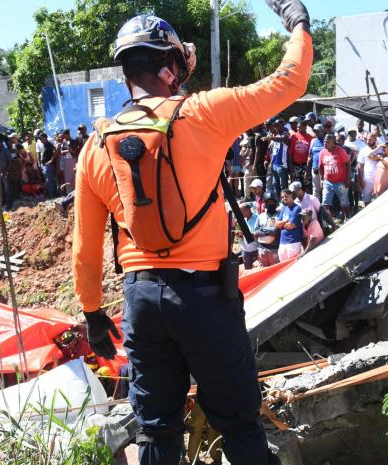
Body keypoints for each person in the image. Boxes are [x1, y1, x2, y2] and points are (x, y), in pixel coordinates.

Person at [72, 4, 311, 464]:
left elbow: (85, 247)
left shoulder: (97, 145)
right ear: (170, 68)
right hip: (204, 298)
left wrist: (91, 311)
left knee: (156, 429)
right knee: (239, 422)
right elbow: (289, 81)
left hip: (140, 301)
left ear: (127, 74)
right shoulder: (204, 112)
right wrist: (299, 25)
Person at [318, 134, 352, 220]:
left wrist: (348, 179)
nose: (325, 143)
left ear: (333, 143)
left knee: (344, 203)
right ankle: (330, 222)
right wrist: (321, 180)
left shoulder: (340, 151)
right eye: (324, 141)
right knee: (325, 203)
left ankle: (347, 218)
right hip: (328, 182)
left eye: (328, 142)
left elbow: (348, 164)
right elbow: (320, 167)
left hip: (341, 182)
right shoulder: (322, 152)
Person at [275, 189, 303, 261]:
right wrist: (286, 220)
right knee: (283, 267)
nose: (284, 198)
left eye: (286, 196)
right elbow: (276, 225)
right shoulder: (284, 208)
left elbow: (290, 226)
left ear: (291, 196)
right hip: (282, 242)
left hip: (293, 242)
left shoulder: (297, 208)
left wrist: (282, 225)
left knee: (294, 266)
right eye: (282, 197)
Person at [254, 196, 281, 267]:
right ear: (265, 204)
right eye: (269, 203)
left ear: (276, 204)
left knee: (276, 272)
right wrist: (269, 231)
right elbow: (256, 232)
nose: (271, 205)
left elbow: (276, 231)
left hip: (274, 250)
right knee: (264, 272)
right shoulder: (260, 216)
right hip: (262, 250)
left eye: (273, 203)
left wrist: (263, 230)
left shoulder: (280, 216)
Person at [356, 133, 381, 205]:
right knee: (366, 202)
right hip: (367, 179)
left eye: (370, 140)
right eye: (366, 139)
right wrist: (361, 180)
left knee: (378, 201)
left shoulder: (381, 150)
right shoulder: (363, 150)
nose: (367, 141)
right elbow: (360, 166)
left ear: (375, 140)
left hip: (379, 179)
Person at [236, 202, 260, 270]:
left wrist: (249, 233)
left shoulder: (257, 219)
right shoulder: (240, 220)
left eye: (241, 211)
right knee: (248, 270)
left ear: (248, 210)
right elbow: (237, 235)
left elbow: (258, 233)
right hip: (245, 251)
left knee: (257, 270)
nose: (240, 213)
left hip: (256, 250)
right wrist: (238, 235)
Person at [37, 132, 57, 197]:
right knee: (49, 179)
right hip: (46, 164)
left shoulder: (48, 144)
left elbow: (55, 151)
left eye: (41, 138)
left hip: (48, 165)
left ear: (45, 138)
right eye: (39, 139)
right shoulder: (46, 144)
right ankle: (52, 194)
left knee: (49, 180)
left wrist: (51, 160)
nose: (40, 140)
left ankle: (52, 195)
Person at [309, 123, 326, 199]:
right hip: (315, 168)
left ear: (322, 131)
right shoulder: (313, 141)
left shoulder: (326, 140)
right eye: (315, 131)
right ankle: (317, 207)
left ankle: (326, 207)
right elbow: (310, 156)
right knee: (316, 189)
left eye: (318, 131)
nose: (316, 132)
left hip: (325, 169)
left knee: (325, 189)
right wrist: (307, 169)